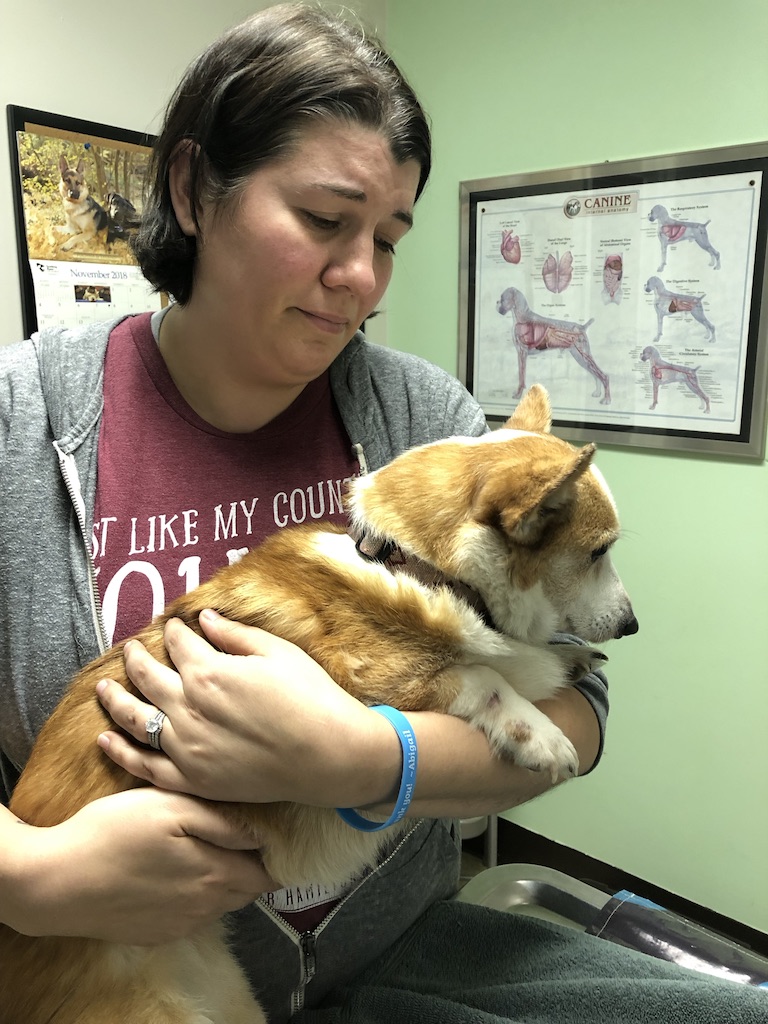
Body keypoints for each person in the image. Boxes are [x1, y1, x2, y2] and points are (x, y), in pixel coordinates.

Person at [0, 5, 765, 1023]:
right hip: (115, 968)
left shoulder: (427, 429)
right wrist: (30, 878)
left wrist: (367, 759)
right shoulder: (25, 420)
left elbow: (578, 717)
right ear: (191, 189)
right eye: (324, 220)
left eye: (389, 238)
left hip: (399, 957)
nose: (360, 277)